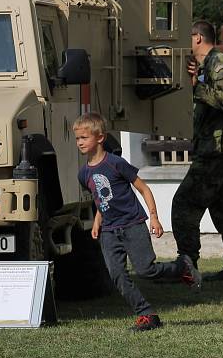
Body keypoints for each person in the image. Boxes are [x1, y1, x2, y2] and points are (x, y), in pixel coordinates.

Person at [74, 112, 200, 331]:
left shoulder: (115, 164)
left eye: (84, 137)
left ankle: (182, 266)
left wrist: (154, 217)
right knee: (117, 276)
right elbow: (102, 199)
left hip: (133, 224)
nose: (80, 143)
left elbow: (143, 188)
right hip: (109, 231)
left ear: (100, 137)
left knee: (145, 270)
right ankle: (147, 315)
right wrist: (97, 221)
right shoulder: (83, 173)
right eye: (77, 139)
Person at [173, 21, 223, 281]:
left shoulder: (220, 62)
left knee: (183, 204)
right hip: (214, 146)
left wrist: (197, 87)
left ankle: (186, 265)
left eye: (187, 37)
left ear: (197, 38)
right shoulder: (206, 65)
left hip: (218, 148)